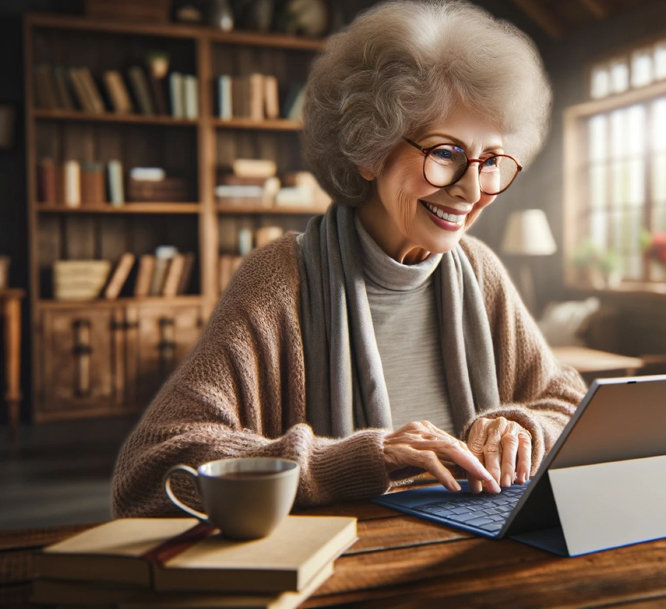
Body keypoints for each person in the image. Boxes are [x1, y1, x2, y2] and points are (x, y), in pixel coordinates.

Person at [112, 0, 585, 516]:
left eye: (491, 160)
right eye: (445, 152)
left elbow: (566, 407)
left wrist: (523, 426)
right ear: (369, 150)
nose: (472, 188)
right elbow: (152, 470)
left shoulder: (480, 270)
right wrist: (359, 459)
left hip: (474, 556)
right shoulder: (280, 280)